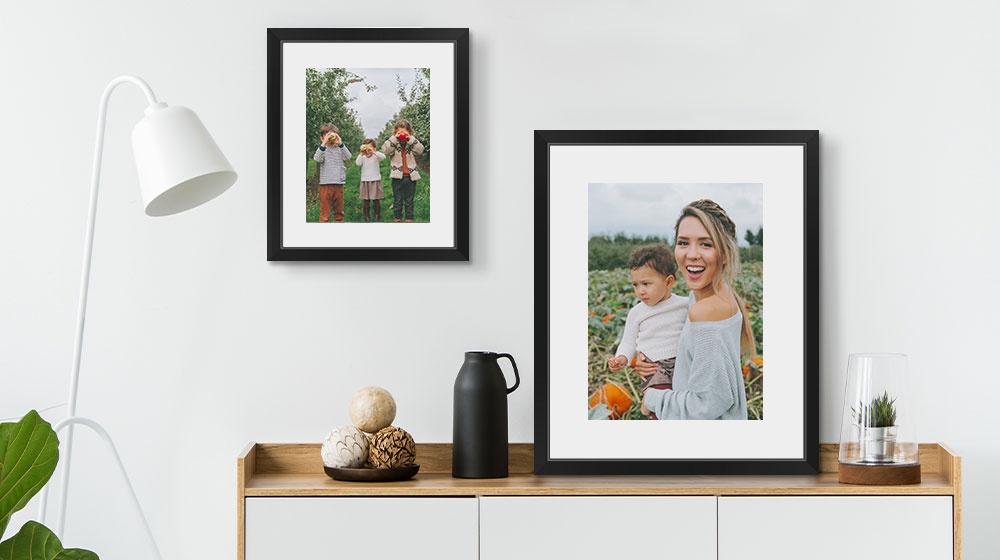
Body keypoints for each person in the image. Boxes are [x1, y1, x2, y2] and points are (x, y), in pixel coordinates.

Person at [639, 199, 756, 420]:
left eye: (706, 244)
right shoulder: (707, 297)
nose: (692, 254)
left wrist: (653, 399)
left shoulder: (707, 312)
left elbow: (709, 403)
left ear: (724, 253)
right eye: (683, 243)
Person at [607, 244, 689, 400]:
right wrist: (622, 358)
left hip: (684, 364)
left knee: (683, 404)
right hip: (654, 368)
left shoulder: (685, 305)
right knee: (660, 405)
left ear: (669, 282)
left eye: (646, 284)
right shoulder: (637, 312)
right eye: (636, 285)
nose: (640, 291)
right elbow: (628, 343)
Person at [380, 119, 425, 223]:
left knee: (409, 200)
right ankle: (397, 218)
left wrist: (410, 138)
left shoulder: (411, 143)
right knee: (398, 199)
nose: (402, 135)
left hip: (410, 176)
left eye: (404, 132)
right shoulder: (394, 144)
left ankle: (409, 218)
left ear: (409, 132)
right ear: (395, 133)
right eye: (399, 132)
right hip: (397, 177)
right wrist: (394, 138)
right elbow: (385, 150)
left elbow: (420, 149)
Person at [313, 124, 352, 223]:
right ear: (322, 138)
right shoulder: (323, 150)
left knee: (339, 211)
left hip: (338, 183)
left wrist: (341, 144)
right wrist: (324, 143)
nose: (330, 139)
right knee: (325, 213)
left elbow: (348, 157)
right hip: (326, 185)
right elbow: (317, 159)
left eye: (333, 136)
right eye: (327, 136)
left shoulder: (339, 148)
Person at [355, 138, 386, 222]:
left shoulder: (376, 156)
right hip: (365, 181)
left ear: (374, 149)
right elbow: (358, 163)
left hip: (375, 180)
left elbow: (383, 157)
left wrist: (374, 152)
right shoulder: (363, 157)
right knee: (366, 200)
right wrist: (361, 154)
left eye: (370, 149)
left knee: (376, 200)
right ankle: (366, 216)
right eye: (366, 149)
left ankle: (377, 214)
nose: (368, 151)